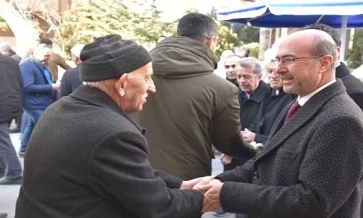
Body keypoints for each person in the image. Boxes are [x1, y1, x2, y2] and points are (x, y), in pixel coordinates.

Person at [15, 34, 207, 218]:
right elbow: (158, 206)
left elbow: (125, 173)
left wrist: (180, 185)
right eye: (147, 77)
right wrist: (208, 197)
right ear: (122, 84)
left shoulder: (60, 109)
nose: (152, 87)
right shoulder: (113, 133)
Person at [195, 29, 363, 218]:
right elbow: (264, 164)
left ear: (324, 63)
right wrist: (216, 180)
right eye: (277, 60)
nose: (279, 69)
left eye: (289, 60)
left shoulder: (341, 120)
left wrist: (226, 194)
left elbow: (313, 202)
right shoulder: (300, 104)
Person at [130, 13, 258, 181]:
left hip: (133, 173)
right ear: (210, 41)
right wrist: (254, 150)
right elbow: (229, 144)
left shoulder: (131, 76)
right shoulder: (221, 89)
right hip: (185, 183)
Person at [301, 23, 363, 218]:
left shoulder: (354, 93)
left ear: (332, 53)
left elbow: (357, 158)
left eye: (298, 56)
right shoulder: (312, 85)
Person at [18, 44, 60, 156]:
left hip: (41, 102)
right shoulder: (27, 65)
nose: (48, 58)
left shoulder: (41, 63)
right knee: (46, 127)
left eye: (50, 55)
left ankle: (23, 149)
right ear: (36, 52)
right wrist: (52, 87)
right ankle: (47, 153)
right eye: (46, 55)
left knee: (32, 126)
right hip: (33, 103)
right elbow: (27, 87)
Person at [243, 62, 295, 145]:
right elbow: (258, 120)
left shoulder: (293, 97)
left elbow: (287, 135)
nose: (273, 76)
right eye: (270, 71)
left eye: (278, 72)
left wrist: (256, 138)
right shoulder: (267, 92)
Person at [0, 54, 23, 185]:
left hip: (3, 104)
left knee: (3, 141)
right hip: (12, 103)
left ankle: (13, 173)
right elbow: (20, 82)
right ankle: (4, 169)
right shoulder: (10, 61)